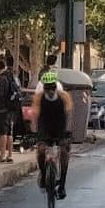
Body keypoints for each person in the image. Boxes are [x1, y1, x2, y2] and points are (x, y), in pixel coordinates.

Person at [33, 69, 72, 200]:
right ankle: (44, 175)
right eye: (47, 88)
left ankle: (63, 184)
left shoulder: (64, 96)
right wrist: (34, 133)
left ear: (56, 87)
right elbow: (36, 116)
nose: (50, 91)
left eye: (52, 88)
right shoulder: (39, 97)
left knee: (65, 151)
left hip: (60, 126)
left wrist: (68, 132)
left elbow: (69, 115)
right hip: (45, 126)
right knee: (41, 150)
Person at [0, 54, 19, 163]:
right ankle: (10, 155)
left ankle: (2, 155)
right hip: (10, 109)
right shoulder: (11, 76)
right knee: (9, 133)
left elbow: (0, 94)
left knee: (2, 133)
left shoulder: (2, 79)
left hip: (1, 109)